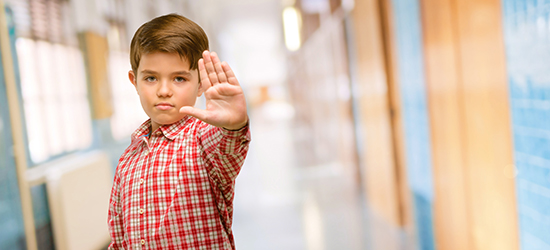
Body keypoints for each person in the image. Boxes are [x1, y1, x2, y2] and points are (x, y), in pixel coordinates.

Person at [107, 13, 250, 250]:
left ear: (201, 84)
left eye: (179, 79)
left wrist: (234, 125)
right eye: (151, 78)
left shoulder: (204, 140)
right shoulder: (127, 162)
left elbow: (229, 148)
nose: (164, 90)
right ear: (134, 82)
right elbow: (119, 239)